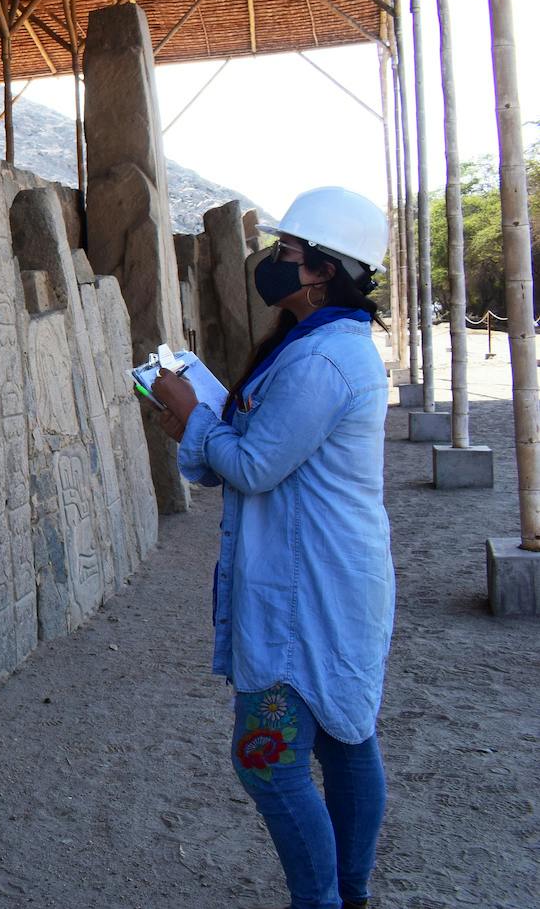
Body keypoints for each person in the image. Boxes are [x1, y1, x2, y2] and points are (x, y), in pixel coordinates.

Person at [148, 186, 394, 909]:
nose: (272, 262)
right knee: (346, 740)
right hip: (320, 575)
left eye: (286, 252)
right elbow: (255, 447)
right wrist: (197, 425)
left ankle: (323, 900)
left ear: (322, 271)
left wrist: (195, 418)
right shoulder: (317, 345)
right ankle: (347, 894)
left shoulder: (322, 362)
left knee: (269, 761)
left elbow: (255, 465)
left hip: (306, 590)